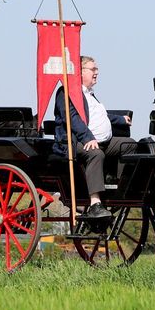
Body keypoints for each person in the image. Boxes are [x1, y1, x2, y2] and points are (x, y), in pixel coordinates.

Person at [53, 56, 136, 221]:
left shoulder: (89, 94)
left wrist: (121, 119)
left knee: (129, 145)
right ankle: (95, 203)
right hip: (75, 142)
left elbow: (100, 116)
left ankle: (120, 188)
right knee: (96, 154)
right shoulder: (67, 92)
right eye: (93, 69)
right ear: (81, 72)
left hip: (100, 141)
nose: (96, 73)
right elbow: (73, 118)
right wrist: (87, 138)